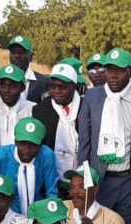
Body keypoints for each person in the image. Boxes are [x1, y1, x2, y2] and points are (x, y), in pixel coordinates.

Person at [78, 48, 131, 224]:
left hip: (129, 179)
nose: (113, 75)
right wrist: (85, 179)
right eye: (109, 70)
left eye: (119, 70)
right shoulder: (92, 97)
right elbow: (85, 141)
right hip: (101, 180)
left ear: (130, 71)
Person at [0, 117, 59, 215]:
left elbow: (51, 192)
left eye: (33, 145)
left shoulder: (47, 155)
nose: (27, 149)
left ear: (41, 145)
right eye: (23, 144)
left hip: (38, 213)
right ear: (15, 141)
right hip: (5, 214)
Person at [33, 63, 83, 197]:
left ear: (74, 86)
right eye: (53, 86)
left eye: (62, 87)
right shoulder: (40, 110)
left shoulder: (86, 108)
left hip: (81, 179)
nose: (56, 91)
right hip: (51, 181)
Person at [0, 65, 36, 146]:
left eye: (13, 86)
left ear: (23, 88)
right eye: (3, 85)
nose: (7, 90)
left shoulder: (33, 109)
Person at [8, 35, 50, 103]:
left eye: (21, 52)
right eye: (13, 52)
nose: (17, 56)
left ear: (31, 57)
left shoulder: (43, 82)